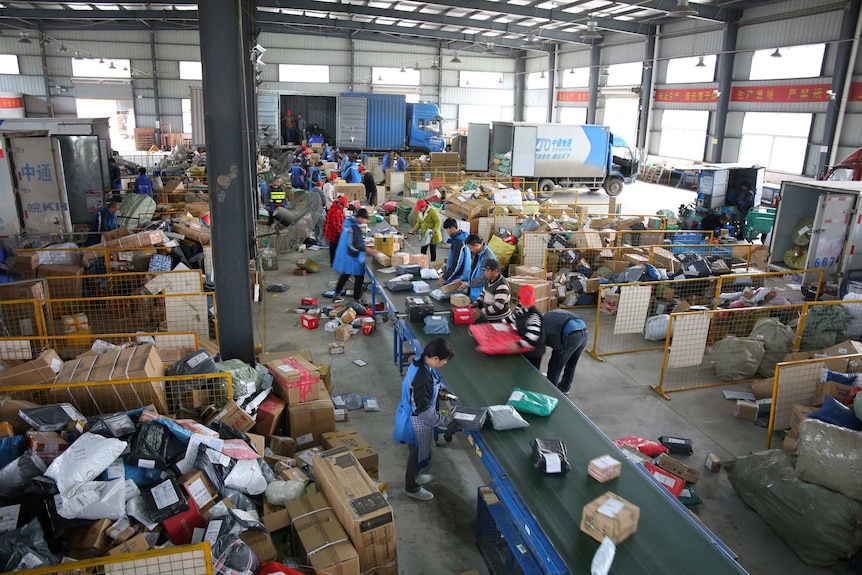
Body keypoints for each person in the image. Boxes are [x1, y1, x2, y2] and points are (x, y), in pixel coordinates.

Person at [393, 337, 456, 501]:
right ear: (435, 358)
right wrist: (446, 420)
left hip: (416, 418)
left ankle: (417, 477)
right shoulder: (421, 378)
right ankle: (412, 487)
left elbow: (434, 383)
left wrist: (443, 392)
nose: (445, 363)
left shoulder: (422, 362)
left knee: (420, 453)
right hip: (415, 423)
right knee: (416, 455)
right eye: (444, 361)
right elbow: (424, 412)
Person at [332, 208, 378, 304]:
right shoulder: (355, 228)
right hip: (353, 256)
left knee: (345, 274)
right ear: (360, 218)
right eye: (365, 219)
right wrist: (367, 249)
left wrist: (362, 242)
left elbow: (352, 240)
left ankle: (336, 294)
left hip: (346, 254)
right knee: (359, 277)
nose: (365, 222)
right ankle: (357, 299)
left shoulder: (349, 222)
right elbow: (355, 244)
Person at [543, 309, 589, 394]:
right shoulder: (550, 315)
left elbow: (542, 343)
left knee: (555, 367)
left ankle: (551, 395)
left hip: (571, 336)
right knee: (571, 363)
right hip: (584, 331)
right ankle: (565, 387)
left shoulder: (542, 324)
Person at [504, 285, 545, 369]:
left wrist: (519, 345)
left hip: (533, 351)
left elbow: (533, 335)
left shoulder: (534, 315)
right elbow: (513, 317)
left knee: (530, 373)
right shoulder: (521, 308)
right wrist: (500, 323)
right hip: (524, 348)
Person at [469, 258, 512, 323]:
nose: (485, 273)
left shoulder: (502, 285)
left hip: (500, 320)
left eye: (487, 270)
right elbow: (483, 294)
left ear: (495, 271)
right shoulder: (488, 280)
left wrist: (481, 311)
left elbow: (498, 306)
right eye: (484, 271)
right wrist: (475, 303)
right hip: (488, 317)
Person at [457, 234, 498, 302]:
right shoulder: (477, 254)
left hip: (482, 295)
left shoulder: (488, 257)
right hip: (474, 292)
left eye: (470, 248)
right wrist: (462, 278)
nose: (470, 250)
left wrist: (468, 284)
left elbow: (484, 278)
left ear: (476, 245)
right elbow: (472, 271)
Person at [438, 218, 467, 286]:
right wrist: (447, 267)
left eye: (447, 230)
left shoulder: (458, 242)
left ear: (453, 228)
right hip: (458, 273)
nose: (446, 232)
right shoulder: (461, 237)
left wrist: (444, 277)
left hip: (457, 276)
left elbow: (456, 262)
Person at [324, 196, 349, 265]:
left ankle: (335, 261)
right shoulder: (335, 211)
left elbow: (342, 217)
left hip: (335, 231)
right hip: (333, 232)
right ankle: (333, 262)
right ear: (340, 204)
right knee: (334, 247)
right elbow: (337, 225)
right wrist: (345, 231)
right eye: (343, 206)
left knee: (334, 246)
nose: (343, 208)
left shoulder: (338, 208)